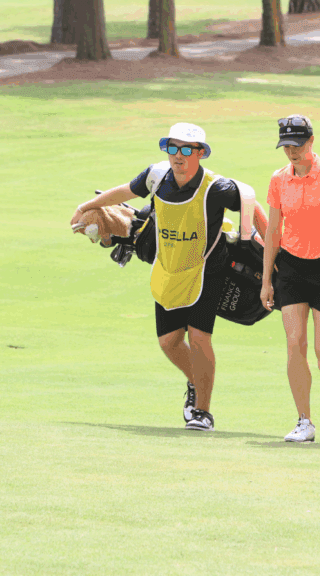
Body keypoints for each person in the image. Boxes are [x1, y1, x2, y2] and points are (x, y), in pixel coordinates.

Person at [71, 123, 244, 432]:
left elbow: (248, 200)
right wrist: (87, 206)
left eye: (186, 149)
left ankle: (203, 412)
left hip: (206, 269)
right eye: (172, 148)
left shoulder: (216, 187)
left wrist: (266, 245)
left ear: (200, 153)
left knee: (199, 337)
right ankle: (196, 382)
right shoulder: (157, 175)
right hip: (169, 267)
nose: (178, 155)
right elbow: (126, 191)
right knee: (169, 342)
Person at [259, 115, 320, 443]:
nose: (292, 152)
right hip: (291, 268)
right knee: (294, 343)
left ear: (311, 141)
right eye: (286, 146)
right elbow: (273, 232)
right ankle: (304, 421)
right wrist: (266, 281)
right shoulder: (278, 180)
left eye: (298, 145)